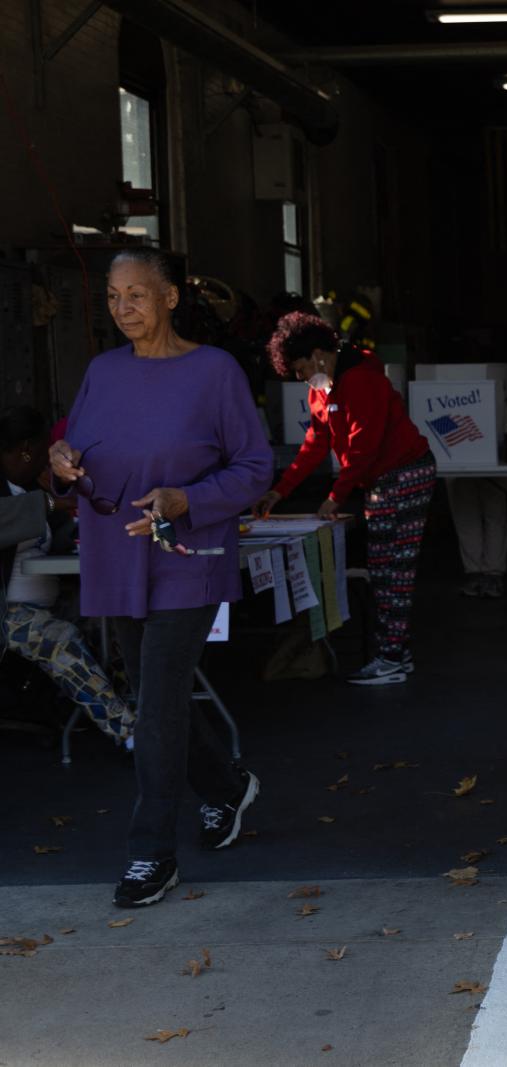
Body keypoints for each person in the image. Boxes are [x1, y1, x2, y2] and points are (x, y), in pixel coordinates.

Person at [48, 247, 272, 908]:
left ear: (171, 296)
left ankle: (151, 851)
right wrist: (63, 462)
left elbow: (254, 467)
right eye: (114, 296)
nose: (122, 309)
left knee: (158, 696)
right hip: (115, 552)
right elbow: (75, 452)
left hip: (187, 554)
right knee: (152, 692)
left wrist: (185, 501)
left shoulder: (214, 370)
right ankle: (229, 788)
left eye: (136, 295)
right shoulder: (101, 370)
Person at [253, 311, 436, 685]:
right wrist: (279, 489)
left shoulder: (361, 381)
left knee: (392, 569)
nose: (300, 377)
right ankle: (396, 654)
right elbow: (315, 443)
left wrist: (335, 497)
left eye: (301, 368)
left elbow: (363, 448)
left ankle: (392, 658)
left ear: (319, 355)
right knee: (384, 567)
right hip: (381, 480)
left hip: (404, 474)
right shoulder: (322, 388)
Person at [2, 406, 134, 747]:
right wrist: (48, 502)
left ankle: (135, 705)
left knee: (110, 616)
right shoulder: (26, 495)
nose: (49, 464)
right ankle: (129, 734)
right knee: (60, 638)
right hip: (9, 612)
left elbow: (61, 537)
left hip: (49, 598)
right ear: (26, 450)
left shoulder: (31, 487)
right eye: (45, 454)